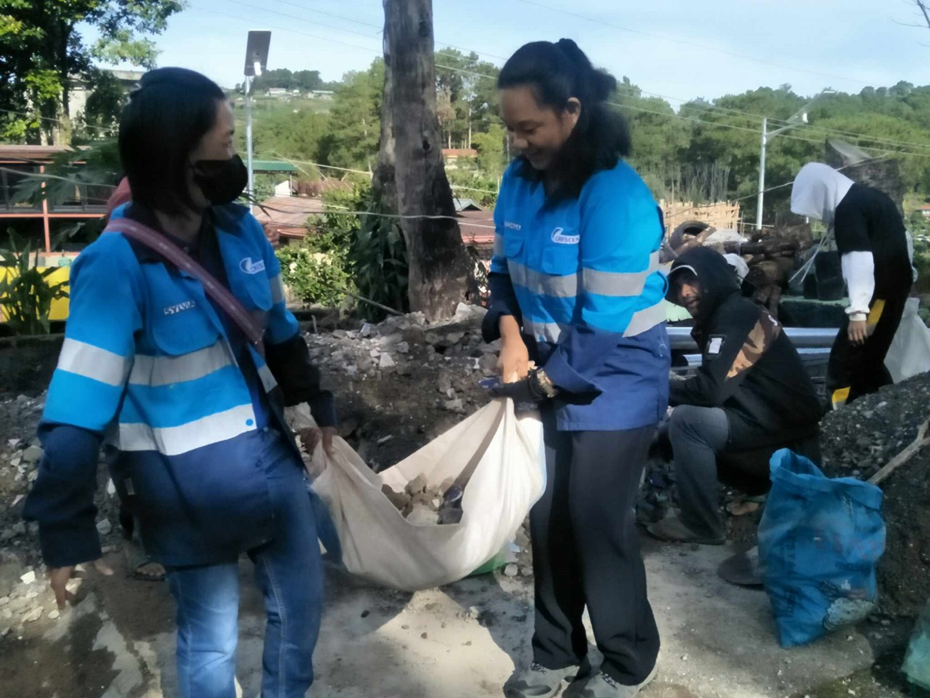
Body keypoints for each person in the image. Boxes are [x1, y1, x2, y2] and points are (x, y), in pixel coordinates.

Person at [24, 68, 337, 698]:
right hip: (182, 486)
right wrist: (65, 529)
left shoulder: (240, 230)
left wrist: (316, 406)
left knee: (301, 607)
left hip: (269, 462)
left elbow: (279, 329)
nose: (234, 157)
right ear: (178, 156)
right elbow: (77, 409)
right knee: (211, 638)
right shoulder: (115, 265)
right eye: (225, 143)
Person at [485, 39, 668, 698]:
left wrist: (539, 384)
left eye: (529, 128)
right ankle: (556, 653)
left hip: (616, 373)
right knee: (545, 514)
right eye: (510, 129)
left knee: (595, 516)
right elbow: (503, 274)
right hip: (547, 365)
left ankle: (629, 659)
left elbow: (601, 323)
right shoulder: (517, 183)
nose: (518, 143)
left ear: (571, 111)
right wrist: (511, 337)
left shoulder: (615, 195)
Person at [646, 247, 822, 548]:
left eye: (691, 281)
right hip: (784, 434)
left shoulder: (735, 316)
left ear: (712, 277)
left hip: (791, 445)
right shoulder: (731, 313)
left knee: (687, 422)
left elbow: (709, 391)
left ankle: (701, 523)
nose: (685, 293)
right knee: (671, 431)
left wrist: (653, 386)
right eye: (678, 287)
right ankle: (759, 487)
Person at [791, 163, 912, 409]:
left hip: (880, 294)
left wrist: (858, 312)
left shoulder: (849, 208)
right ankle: (880, 406)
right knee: (871, 356)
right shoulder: (871, 197)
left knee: (847, 356)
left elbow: (859, 258)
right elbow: (902, 239)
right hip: (893, 288)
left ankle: (838, 412)